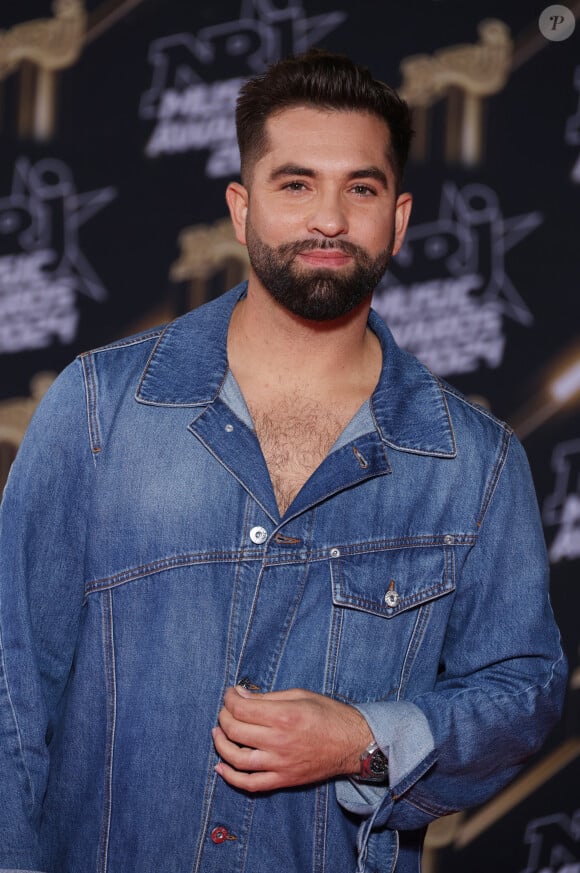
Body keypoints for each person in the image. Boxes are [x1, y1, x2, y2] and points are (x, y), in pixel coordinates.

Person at [0, 49, 566, 873]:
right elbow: (10, 677)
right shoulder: (99, 408)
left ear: (399, 220)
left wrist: (363, 742)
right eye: (295, 184)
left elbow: (522, 693)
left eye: (360, 188)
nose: (328, 218)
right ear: (241, 208)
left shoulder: (473, 464)